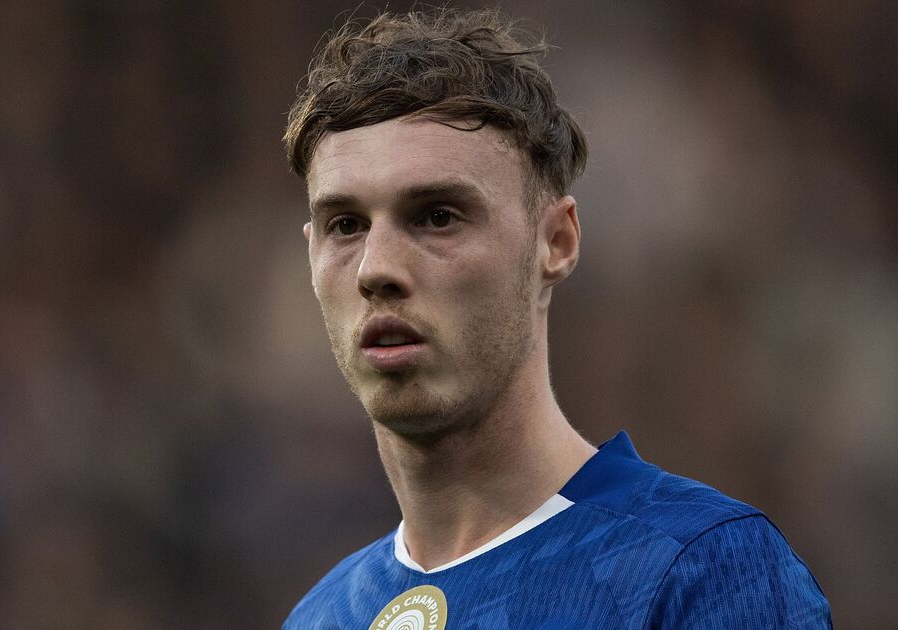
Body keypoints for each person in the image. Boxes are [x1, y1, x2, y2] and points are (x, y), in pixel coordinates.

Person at [281, 8, 831, 629]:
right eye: (345, 225)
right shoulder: (318, 618)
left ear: (556, 241)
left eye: (437, 216)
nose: (376, 268)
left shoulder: (700, 568)